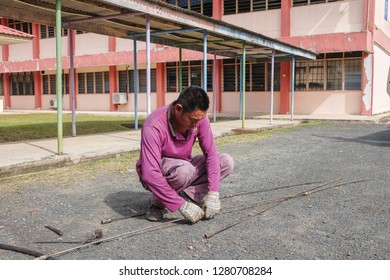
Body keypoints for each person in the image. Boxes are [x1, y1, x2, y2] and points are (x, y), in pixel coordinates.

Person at [136, 85, 234, 224]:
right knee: (185, 171)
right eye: (193, 120)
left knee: (225, 162)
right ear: (178, 109)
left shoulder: (198, 118)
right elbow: (150, 173)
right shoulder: (153, 126)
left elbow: (211, 154)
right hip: (162, 171)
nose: (196, 125)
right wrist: (181, 206)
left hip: (184, 165)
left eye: (199, 120)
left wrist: (213, 194)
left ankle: (188, 196)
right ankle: (157, 203)